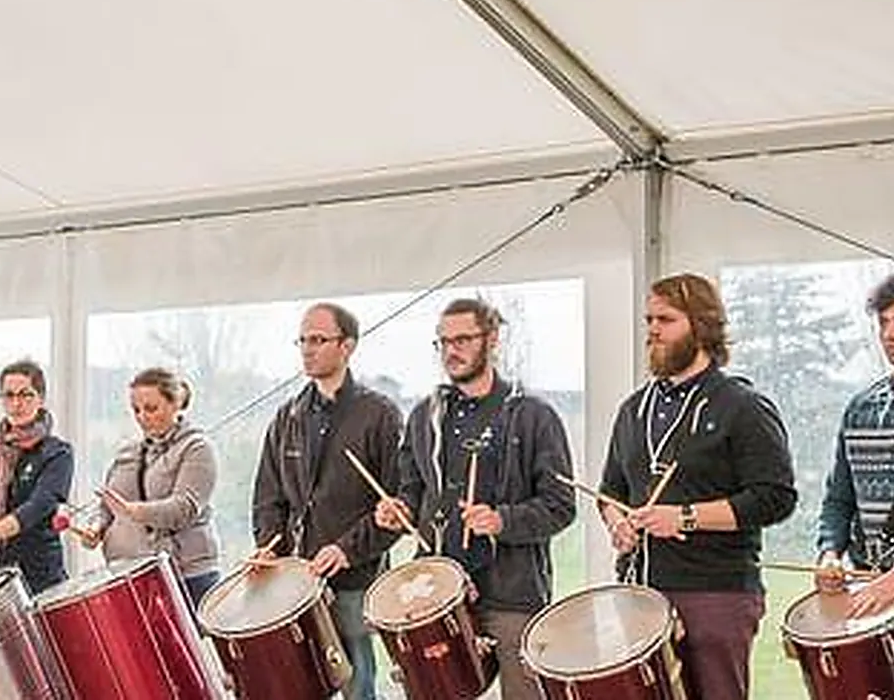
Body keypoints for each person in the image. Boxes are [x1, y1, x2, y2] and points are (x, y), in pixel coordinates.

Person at [598, 273, 797, 700]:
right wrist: (618, 522)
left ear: (702, 327)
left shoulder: (743, 406)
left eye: (665, 320)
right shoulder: (633, 410)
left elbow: (775, 497)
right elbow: (609, 490)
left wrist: (686, 516)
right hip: (641, 590)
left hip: (716, 590)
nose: (652, 329)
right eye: (649, 319)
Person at [374, 298, 576, 700]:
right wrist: (399, 510)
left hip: (513, 592)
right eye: (443, 342)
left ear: (492, 339)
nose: (452, 350)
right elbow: (412, 491)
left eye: (463, 339)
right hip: (435, 592)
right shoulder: (423, 417)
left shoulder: (534, 415)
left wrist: (503, 521)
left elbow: (561, 505)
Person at [252, 301, 402, 700]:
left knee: (359, 689)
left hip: (355, 580)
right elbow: (269, 496)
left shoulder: (380, 415)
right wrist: (269, 548)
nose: (307, 348)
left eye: (317, 339)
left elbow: (398, 505)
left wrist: (347, 550)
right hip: (297, 583)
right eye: (302, 340)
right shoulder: (287, 417)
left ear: (347, 345)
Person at [84, 367, 222, 607]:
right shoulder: (128, 451)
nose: (142, 417)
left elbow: (184, 508)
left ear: (175, 404)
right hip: (132, 575)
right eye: (136, 410)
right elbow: (108, 504)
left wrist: (135, 512)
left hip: (186, 575)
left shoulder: (197, 448)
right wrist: (96, 527)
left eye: (151, 408)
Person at [0, 359, 75, 594]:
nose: (16, 403)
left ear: (41, 398)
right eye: (8, 395)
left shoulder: (57, 452)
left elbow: (38, 506)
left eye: (25, 395)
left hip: (38, 575)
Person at [816, 272, 894, 614]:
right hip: (869, 591)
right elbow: (839, 499)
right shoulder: (861, 409)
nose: (890, 335)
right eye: (884, 323)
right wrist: (830, 552)